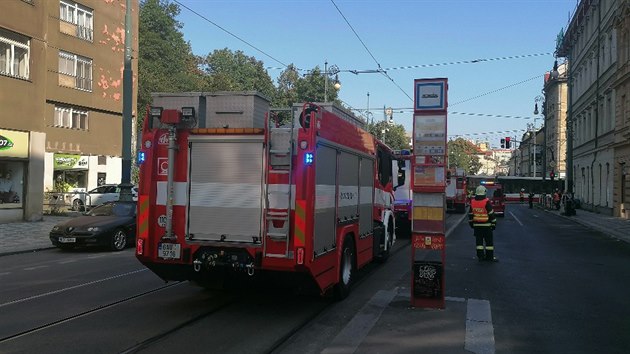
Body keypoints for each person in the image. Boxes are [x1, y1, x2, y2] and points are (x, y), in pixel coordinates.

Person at [468, 185, 498, 262]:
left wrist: (471, 224)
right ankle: (489, 257)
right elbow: (491, 214)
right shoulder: (486, 202)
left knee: (479, 243)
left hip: (477, 227)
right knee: (489, 243)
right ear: (484, 192)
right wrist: (494, 224)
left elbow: (470, 215)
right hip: (487, 226)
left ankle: (480, 257)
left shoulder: (473, 202)